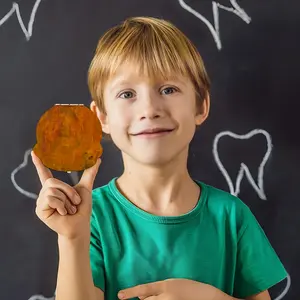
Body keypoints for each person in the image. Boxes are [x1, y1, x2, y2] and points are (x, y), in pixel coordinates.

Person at [32, 16, 288, 300]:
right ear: (101, 118)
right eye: (127, 93)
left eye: (168, 89)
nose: (150, 109)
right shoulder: (91, 217)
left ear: (200, 106)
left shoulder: (231, 217)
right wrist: (72, 239)